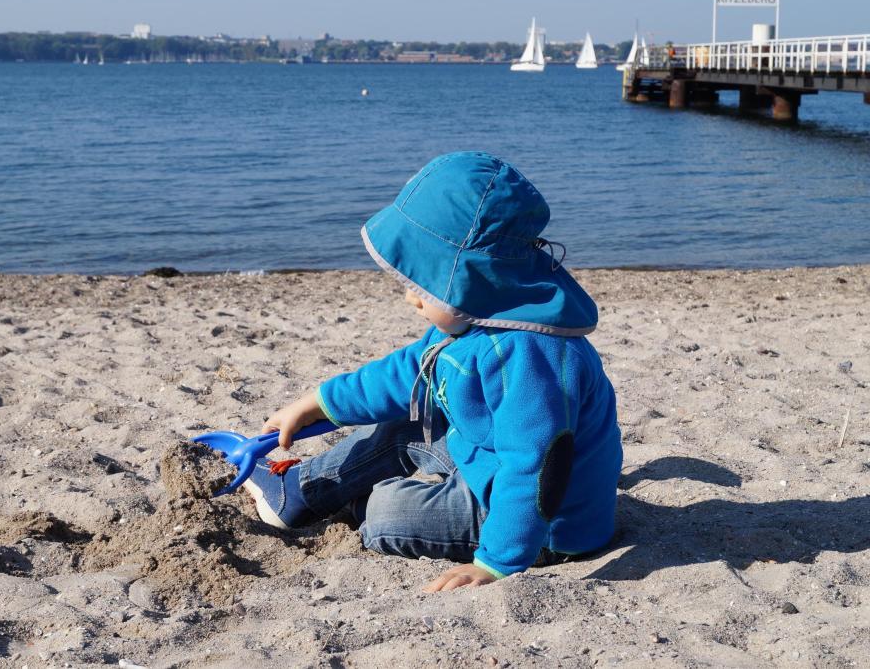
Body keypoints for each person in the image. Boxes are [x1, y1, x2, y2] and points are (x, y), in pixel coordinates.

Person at [244, 151, 623, 592]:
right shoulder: (474, 318)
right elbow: (405, 373)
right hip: (483, 459)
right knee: (399, 423)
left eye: (426, 284)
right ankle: (300, 492)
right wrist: (317, 402)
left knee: (386, 510)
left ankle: (362, 505)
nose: (412, 298)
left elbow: (538, 465)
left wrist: (496, 564)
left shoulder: (530, 353)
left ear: (475, 279)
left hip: (543, 522)